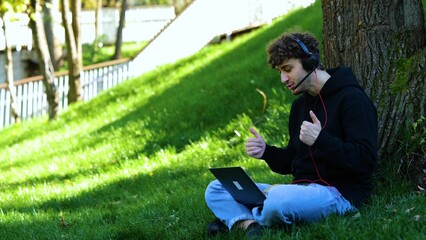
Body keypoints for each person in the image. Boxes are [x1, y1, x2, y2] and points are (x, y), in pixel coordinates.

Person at [205, 32, 378, 238]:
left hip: (338, 193)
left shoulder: (352, 99)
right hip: (299, 190)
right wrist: (266, 152)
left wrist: (321, 139)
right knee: (215, 188)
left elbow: (365, 161)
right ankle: (251, 225)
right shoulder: (299, 106)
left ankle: (238, 218)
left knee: (277, 198)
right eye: (280, 71)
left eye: (288, 69)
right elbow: (292, 160)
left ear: (310, 61)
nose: (283, 79)